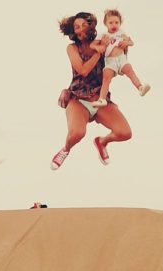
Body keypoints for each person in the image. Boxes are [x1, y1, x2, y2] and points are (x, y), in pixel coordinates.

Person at [51, 12, 134, 169]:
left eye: (84, 25)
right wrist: (98, 52)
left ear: (91, 27)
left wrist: (124, 45)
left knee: (125, 132)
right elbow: (83, 70)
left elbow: (118, 61)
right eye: (76, 27)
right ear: (73, 31)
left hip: (100, 99)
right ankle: (65, 150)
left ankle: (101, 142)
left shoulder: (103, 41)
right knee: (77, 133)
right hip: (78, 99)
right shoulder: (72, 48)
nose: (81, 29)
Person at [95, 7, 150, 106]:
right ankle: (102, 99)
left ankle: (140, 87)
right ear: (105, 23)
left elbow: (131, 42)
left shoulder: (121, 33)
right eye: (111, 23)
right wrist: (99, 47)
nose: (114, 25)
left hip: (121, 59)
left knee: (130, 71)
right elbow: (93, 44)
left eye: (116, 22)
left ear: (120, 23)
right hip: (110, 60)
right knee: (106, 77)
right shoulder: (103, 34)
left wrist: (126, 43)